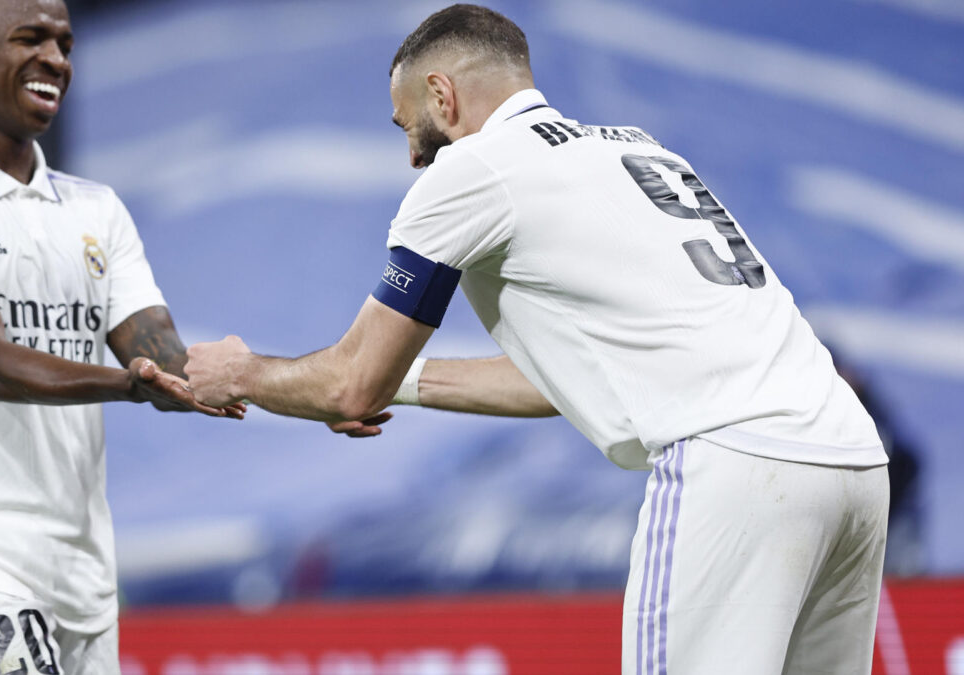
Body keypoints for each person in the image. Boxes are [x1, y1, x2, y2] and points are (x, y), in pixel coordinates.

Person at [184, 5, 890, 673]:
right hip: (852, 460)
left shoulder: (473, 168)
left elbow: (350, 382)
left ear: (442, 94)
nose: (411, 158)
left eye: (408, 127)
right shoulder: (640, 150)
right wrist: (401, 382)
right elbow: (569, 376)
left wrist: (240, 372)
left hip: (733, 465)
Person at [0, 1, 249, 672]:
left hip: (83, 574)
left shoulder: (96, 209)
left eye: (65, 44)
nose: (57, 60)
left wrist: (313, 389)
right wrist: (128, 384)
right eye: (30, 38)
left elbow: (164, 360)